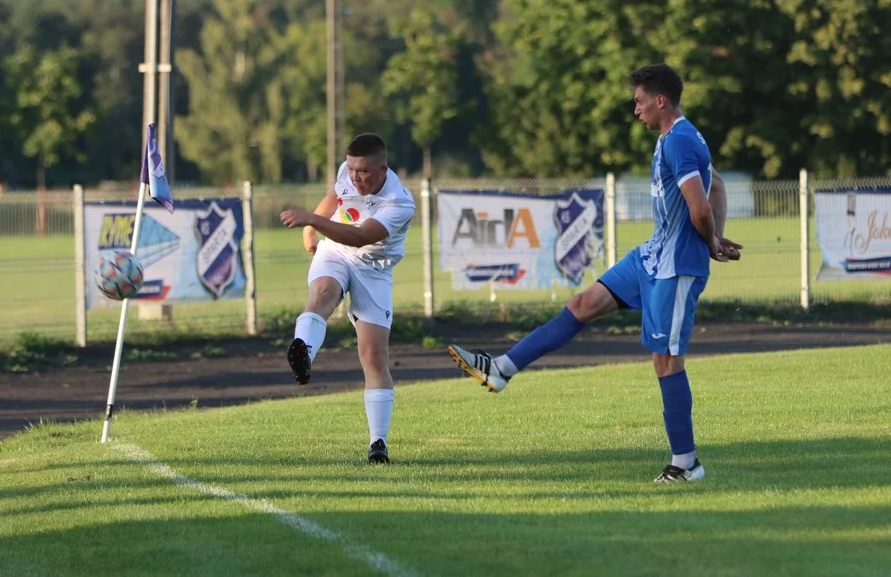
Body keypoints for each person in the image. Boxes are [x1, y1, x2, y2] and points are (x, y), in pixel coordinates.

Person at [447, 63, 742, 483]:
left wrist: (711, 242)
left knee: (666, 361)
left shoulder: (680, 141)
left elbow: (700, 206)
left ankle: (686, 464)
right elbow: (717, 186)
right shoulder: (674, 138)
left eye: (639, 101)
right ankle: (501, 369)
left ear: (661, 100)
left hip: (675, 267)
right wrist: (718, 233)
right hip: (652, 255)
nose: (634, 109)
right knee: (582, 304)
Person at [280, 133, 416, 464]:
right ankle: (304, 354)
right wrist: (310, 229)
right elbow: (334, 196)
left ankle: (378, 443)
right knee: (324, 293)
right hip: (335, 251)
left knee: (373, 356)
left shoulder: (399, 202)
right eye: (352, 169)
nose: (356, 177)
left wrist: (312, 220)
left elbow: (359, 237)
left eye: (364, 172)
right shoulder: (348, 172)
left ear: (383, 169)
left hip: (373, 268)